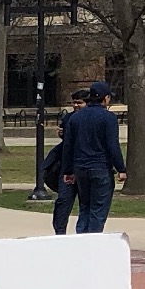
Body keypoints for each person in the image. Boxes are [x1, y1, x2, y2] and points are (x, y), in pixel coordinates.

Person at [58, 81, 125, 234]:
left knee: (85, 207)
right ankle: (93, 241)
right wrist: (121, 168)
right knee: (98, 209)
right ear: (106, 98)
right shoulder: (108, 118)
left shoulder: (75, 118)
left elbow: (68, 146)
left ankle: (81, 238)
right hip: (100, 167)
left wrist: (68, 171)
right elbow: (112, 145)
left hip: (80, 168)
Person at [46, 92, 87, 232]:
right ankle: (60, 231)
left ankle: (83, 232)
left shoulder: (90, 119)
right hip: (67, 166)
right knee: (63, 201)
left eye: (79, 103)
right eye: (74, 103)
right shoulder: (68, 117)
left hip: (83, 166)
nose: (76, 105)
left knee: (85, 203)